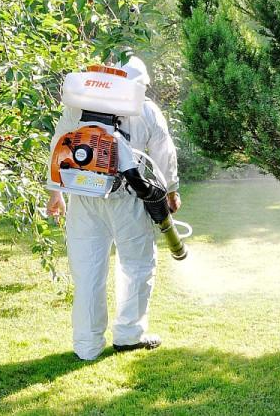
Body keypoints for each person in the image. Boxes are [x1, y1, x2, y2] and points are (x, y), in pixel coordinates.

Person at [46, 56, 181, 360]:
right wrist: (171, 190)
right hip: (126, 198)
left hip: (83, 197)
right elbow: (163, 151)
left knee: (87, 272)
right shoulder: (146, 110)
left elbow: (59, 145)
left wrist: (56, 192)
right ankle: (129, 335)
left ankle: (86, 346)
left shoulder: (77, 107)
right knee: (136, 265)